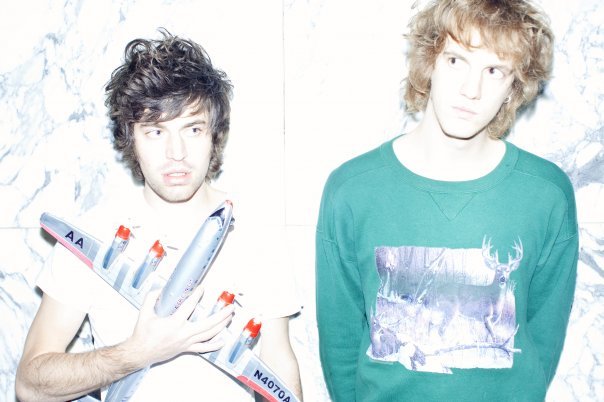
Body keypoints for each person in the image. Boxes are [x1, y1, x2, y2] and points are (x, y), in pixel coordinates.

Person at [16, 29, 302, 402]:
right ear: (130, 138)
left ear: (214, 135)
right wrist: (138, 352)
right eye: (155, 132)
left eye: (192, 129)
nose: (176, 152)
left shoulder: (258, 233)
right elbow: (30, 386)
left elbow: (279, 364)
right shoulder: (92, 232)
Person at [315, 1, 578, 401]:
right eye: (456, 60)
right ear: (429, 62)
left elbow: (543, 335)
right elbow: (341, 339)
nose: (471, 90)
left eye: (494, 70)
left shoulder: (546, 194)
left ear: (515, 85)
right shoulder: (352, 190)